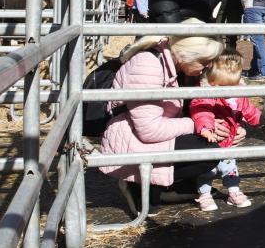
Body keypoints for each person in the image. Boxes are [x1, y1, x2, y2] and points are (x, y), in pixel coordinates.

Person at [98, 24, 238, 205]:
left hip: (144, 132)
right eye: (205, 61)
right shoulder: (148, 65)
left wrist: (230, 125)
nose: (209, 66)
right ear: (187, 55)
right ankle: (137, 184)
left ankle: (163, 186)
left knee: (208, 141)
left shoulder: (172, 63)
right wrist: (196, 125)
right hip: (129, 139)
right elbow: (149, 131)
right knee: (207, 152)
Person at [189, 51, 260, 210]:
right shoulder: (208, 92)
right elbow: (201, 110)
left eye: (232, 86)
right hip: (211, 141)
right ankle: (205, 195)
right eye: (222, 86)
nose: (227, 90)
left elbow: (250, 111)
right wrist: (206, 127)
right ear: (212, 81)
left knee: (231, 170)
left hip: (229, 143)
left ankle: (234, 192)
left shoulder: (238, 94)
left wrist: (263, 122)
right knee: (207, 171)